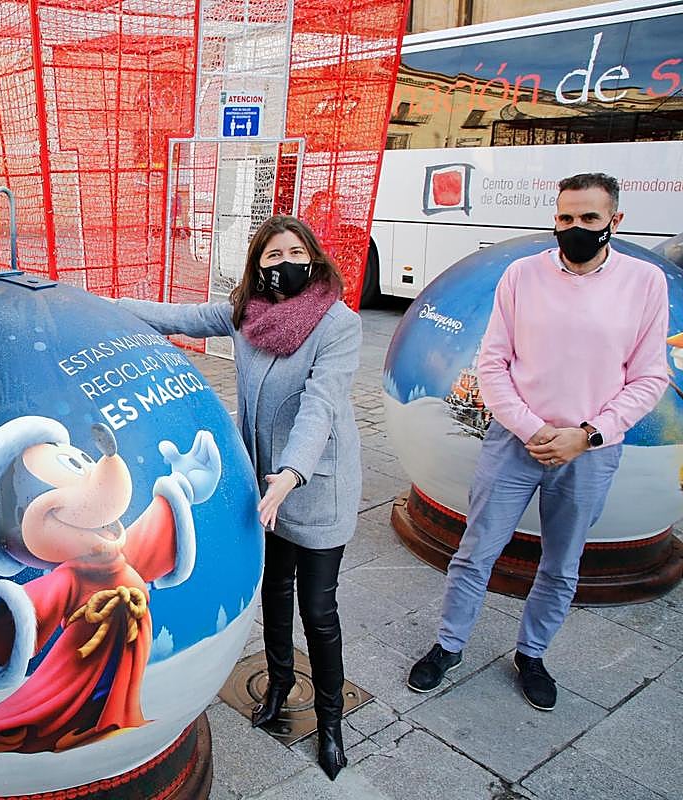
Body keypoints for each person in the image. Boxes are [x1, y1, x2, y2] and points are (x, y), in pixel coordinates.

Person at [406, 173, 669, 711]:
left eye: (589, 219)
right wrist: (530, 428)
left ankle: (532, 654)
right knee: (477, 552)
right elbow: (493, 362)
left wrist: (587, 435)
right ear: (555, 217)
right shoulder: (521, 276)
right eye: (566, 217)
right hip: (514, 441)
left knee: (561, 562)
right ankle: (449, 645)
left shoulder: (644, 284)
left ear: (614, 222)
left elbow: (649, 377)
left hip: (590, 450)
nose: (575, 228)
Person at [116, 215, 362, 780]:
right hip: (262, 489)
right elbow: (177, 316)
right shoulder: (246, 314)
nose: (284, 265)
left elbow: (321, 406)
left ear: (315, 259)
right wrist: (100, 304)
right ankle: (278, 686)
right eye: (272, 257)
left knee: (318, 610)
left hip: (313, 486)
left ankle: (330, 723)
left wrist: (292, 473)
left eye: (294, 253)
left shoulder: (338, 325)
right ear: (257, 266)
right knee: (273, 593)